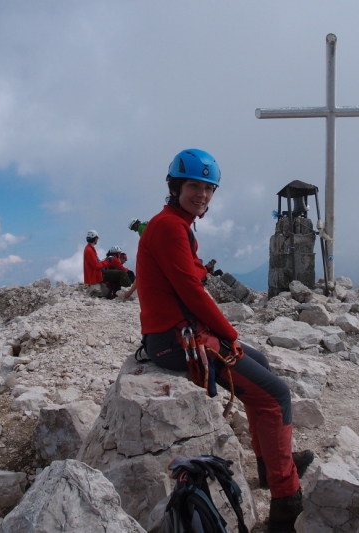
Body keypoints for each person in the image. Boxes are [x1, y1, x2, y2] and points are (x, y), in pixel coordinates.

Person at [136, 148, 311, 533]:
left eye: (208, 188)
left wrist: (227, 337)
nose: (202, 195)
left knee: (261, 364)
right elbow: (191, 291)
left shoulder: (176, 224)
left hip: (175, 334)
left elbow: (190, 280)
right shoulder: (169, 228)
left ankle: (271, 465)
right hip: (175, 342)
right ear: (176, 187)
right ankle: (286, 500)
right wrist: (230, 335)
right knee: (276, 394)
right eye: (194, 186)